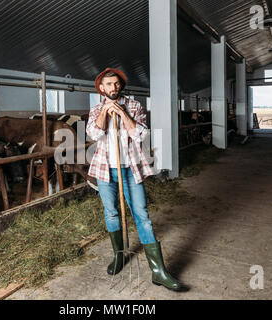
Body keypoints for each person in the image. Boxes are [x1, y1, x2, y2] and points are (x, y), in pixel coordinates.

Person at [86, 67, 187, 292]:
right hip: (105, 170)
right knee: (111, 212)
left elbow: (141, 134)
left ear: (120, 85)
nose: (113, 87)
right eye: (108, 85)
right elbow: (94, 134)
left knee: (142, 215)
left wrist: (123, 114)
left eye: (116, 84)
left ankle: (158, 271)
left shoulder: (134, 106)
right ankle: (118, 255)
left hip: (130, 169)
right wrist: (105, 110)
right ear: (101, 88)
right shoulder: (95, 110)